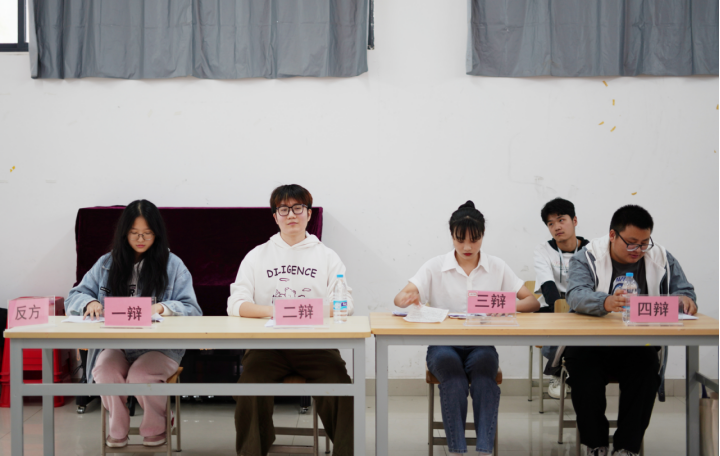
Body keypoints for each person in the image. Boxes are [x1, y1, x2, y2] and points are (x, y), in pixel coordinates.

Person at [394, 201, 539, 456]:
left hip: (481, 345)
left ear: (483, 235)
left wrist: (505, 306)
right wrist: (407, 298)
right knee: (454, 380)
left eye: (474, 239)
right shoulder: (435, 265)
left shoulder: (496, 266)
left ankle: (483, 450)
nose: (467, 247)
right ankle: (457, 451)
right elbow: (400, 297)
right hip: (443, 345)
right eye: (460, 240)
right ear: (452, 236)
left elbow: (533, 302)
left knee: (484, 381)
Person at [228, 184, 355, 456]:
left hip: (316, 346)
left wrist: (302, 310)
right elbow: (235, 304)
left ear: (309, 213)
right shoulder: (257, 255)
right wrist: (275, 311)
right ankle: (254, 449)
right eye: (284, 209)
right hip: (267, 347)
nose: (291, 215)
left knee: (340, 387)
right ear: (275, 216)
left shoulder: (327, 256)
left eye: (298, 208)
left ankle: (346, 451)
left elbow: (345, 304)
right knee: (249, 387)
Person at [65, 200, 202, 448]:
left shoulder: (173, 265)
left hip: (159, 347)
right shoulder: (107, 263)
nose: (141, 239)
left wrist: (162, 307)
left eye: (147, 233)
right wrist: (89, 302)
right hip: (116, 343)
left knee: (141, 375)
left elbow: (193, 309)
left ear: (157, 233)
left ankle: (157, 424)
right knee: (104, 370)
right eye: (134, 233)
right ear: (124, 233)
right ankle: (117, 425)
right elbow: (74, 295)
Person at [565, 205, 698, 456]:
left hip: (637, 343)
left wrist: (684, 299)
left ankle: (627, 447)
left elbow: (684, 290)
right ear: (612, 235)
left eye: (644, 243)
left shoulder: (661, 257)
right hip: (591, 343)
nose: (638, 250)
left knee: (647, 372)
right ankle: (596, 444)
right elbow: (575, 295)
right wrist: (605, 302)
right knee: (584, 375)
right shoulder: (587, 257)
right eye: (631, 243)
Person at [533, 198, 590, 398]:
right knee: (555, 323)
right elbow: (548, 286)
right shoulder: (543, 250)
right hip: (553, 304)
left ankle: (567, 371)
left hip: (582, 302)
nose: (556, 227)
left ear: (574, 220)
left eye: (561, 220)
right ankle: (559, 374)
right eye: (551, 223)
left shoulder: (591, 250)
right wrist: (561, 310)